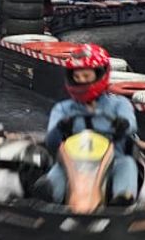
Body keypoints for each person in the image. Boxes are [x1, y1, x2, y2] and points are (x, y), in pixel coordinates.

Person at [41, 43, 139, 205]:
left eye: (86, 76)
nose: (81, 81)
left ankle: (122, 199)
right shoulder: (63, 109)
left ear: (101, 74)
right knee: (57, 171)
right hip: (73, 162)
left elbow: (131, 125)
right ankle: (48, 197)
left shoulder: (119, 104)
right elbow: (51, 142)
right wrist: (60, 129)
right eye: (77, 77)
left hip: (112, 160)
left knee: (127, 165)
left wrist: (122, 125)